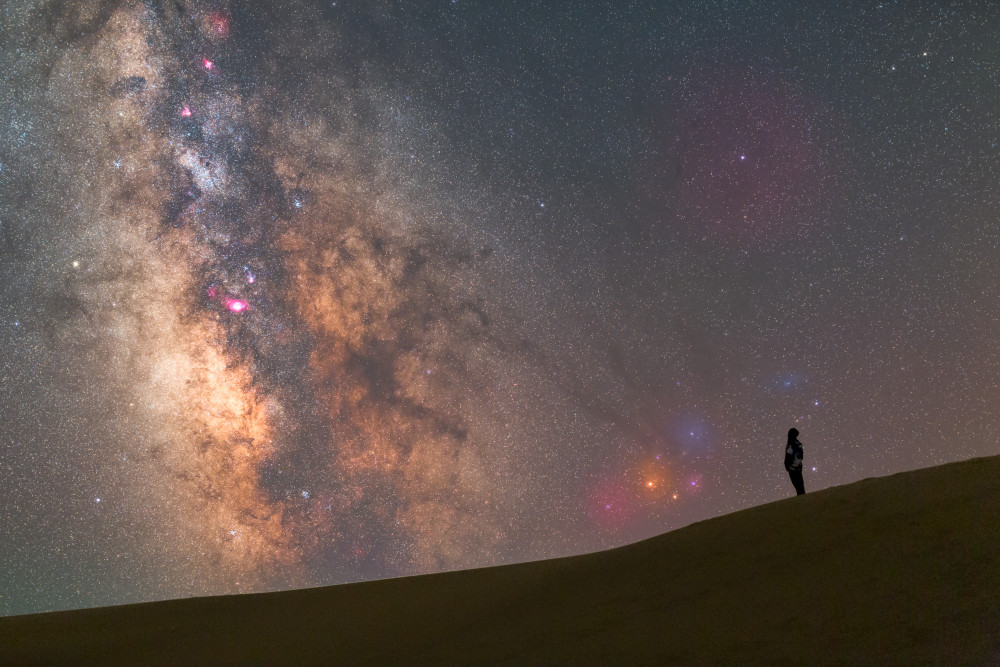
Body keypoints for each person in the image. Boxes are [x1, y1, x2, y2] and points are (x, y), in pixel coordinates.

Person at [784, 428, 805, 495]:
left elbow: (798, 456)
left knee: (798, 483)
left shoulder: (794, 443)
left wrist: (791, 464)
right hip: (794, 466)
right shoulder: (793, 443)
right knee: (798, 483)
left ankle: (801, 496)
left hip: (794, 466)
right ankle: (801, 495)